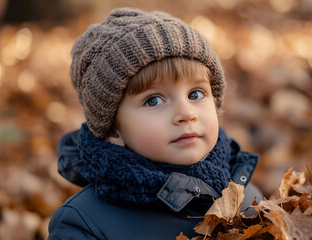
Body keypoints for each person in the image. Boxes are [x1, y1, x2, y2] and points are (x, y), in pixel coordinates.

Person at [48, 8, 262, 240]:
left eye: (195, 94)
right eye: (154, 100)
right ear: (113, 128)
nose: (186, 113)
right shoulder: (84, 223)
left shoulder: (246, 196)